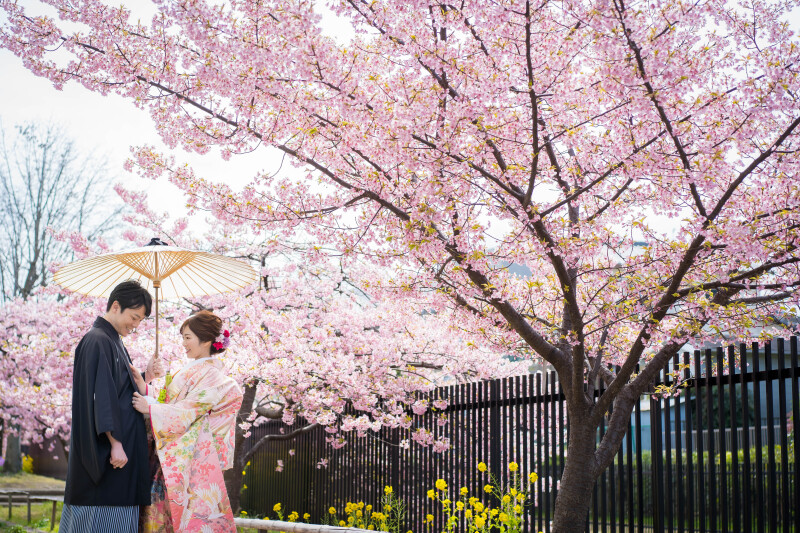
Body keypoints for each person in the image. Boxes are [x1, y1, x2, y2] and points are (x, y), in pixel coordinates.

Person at [62, 280, 164, 533]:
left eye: (141, 320)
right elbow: (100, 396)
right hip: (108, 452)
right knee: (101, 520)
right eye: (134, 317)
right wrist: (115, 441)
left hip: (120, 451)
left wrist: (146, 377)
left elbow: (118, 390)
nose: (136, 325)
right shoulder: (97, 340)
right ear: (116, 306)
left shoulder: (113, 341)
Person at [133, 310, 243, 533]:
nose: (183, 343)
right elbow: (173, 402)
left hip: (188, 462)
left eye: (188, 337)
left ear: (207, 340)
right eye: (183, 337)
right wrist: (145, 383)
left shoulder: (215, 377)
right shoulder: (193, 371)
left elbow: (189, 411)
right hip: (169, 460)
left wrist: (152, 409)